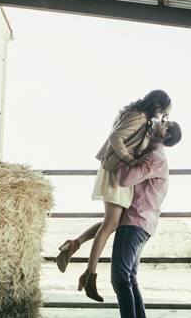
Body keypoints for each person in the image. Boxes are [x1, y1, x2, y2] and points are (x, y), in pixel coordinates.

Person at [55, 90, 171, 302]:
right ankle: (89, 276)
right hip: (116, 171)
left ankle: (74, 245)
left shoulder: (139, 116)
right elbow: (115, 137)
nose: (162, 116)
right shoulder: (139, 116)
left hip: (118, 170)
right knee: (110, 224)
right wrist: (128, 159)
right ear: (157, 105)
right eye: (163, 110)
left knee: (111, 222)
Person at [110, 119, 182, 318]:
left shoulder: (153, 158)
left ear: (166, 133)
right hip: (144, 223)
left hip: (134, 221)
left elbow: (124, 180)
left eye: (164, 123)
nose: (159, 122)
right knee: (129, 278)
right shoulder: (154, 155)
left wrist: (122, 157)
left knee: (119, 277)